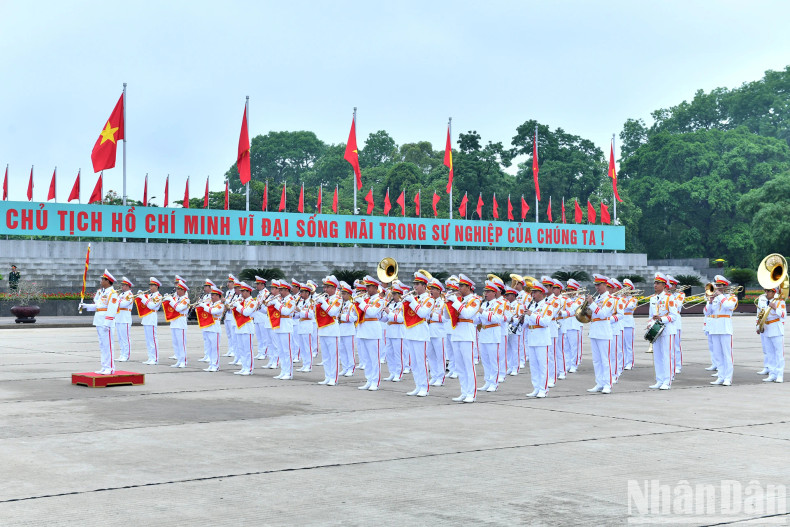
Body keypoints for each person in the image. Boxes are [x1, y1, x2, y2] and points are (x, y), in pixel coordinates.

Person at [448, 274, 481, 403]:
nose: (459, 288)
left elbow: (467, 313)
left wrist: (455, 301)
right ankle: (464, 391)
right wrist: (448, 303)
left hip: (467, 334)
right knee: (460, 366)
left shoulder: (475, 299)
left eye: (462, 286)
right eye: (459, 286)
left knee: (468, 365)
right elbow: (447, 316)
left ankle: (471, 393)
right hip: (457, 333)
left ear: (468, 287)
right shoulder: (459, 299)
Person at [402, 271, 436, 397]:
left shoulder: (429, 299)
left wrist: (411, 301)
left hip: (421, 333)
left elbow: (422, 313)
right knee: (414, 362)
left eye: (417, 284)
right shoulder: (414, 298)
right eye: (414, 284)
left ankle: (424, 387)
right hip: (411, 332)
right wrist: (405, 303)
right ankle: (418, 385)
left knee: (421, 362)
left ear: (424, 285)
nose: (415, 287)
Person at [79, 270, 119, 375]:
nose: (101, 281)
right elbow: (98, 307)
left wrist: (107, 323)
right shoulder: (103, 292)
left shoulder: (112, 294)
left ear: (107, 280)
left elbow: (112, 309)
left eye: (103, 279)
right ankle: (104, 366)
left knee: (108, 345)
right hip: (99, 320)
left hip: (106, 322)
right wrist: (85, 306)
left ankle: (110, 367)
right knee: (102, 345)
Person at [648, 273, 679, 390]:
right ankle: (659, 380)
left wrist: (662, 319)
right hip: (656, 329)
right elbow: (651, 316)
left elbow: (674, 316)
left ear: (664, 285)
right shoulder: (652, 298)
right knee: (657, 356)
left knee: (667, 356)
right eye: (655, 283)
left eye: (658, 283)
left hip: (667, 330)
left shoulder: (669, 298)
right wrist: (650, 324)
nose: (655, 285)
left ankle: (667, 380)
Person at [586, 274, 615, 394]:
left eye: (599, 285)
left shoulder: (610, 299)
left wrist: (592, 304)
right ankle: (599, 383)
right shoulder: (597, 298)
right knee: (596, 360)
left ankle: (607, 384)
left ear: (605, 285)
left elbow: (603, 314)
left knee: (605, 359)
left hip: (603, 331)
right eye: (596, 285)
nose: (596, 287)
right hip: (594, 330)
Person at [707, 275, 738, 386]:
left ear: (725, 287)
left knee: (727, 354)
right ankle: (720, 376)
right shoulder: (714, 297)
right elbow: (707, 312)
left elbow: (728, 306)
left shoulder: (732, 297)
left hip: (725, 328)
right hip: (714, 328)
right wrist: (710, 301)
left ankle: (727, 378)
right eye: (716, 285)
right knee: (717, 354)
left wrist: (720, 296)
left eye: (719, 286)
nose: (717, 288)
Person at [524, 281, 553, 398]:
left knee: (542, 365)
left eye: (535, 292)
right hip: (532, 338)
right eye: (532, 292)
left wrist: (531, 315)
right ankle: (536, 388)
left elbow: (545, 322)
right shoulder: (531, 306)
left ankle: (543, 389)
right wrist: (520, 321)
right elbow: (526, 323)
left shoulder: (548, 306)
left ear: (541, 293)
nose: (533, 295)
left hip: (542, 339)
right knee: (534, 366)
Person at [356, 275, 385, 391]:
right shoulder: (366, 300)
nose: (366, 289)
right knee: (366, 358)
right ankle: (368, 380)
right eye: (366, 287)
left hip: (373, 330)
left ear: (375, 287)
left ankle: (375, 381)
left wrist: (362, 303)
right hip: (363, 330)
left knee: (374, 358)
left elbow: (372, 312)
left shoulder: (380, 300)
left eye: (369, 287)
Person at [314, 275, 343, 385]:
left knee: (333, 356)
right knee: (325, 356)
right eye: (324, 287)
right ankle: (327, 376)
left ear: (334, 287)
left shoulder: (338, 299)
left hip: (332, 330)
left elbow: (332, 312)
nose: (325, 289)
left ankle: (333, 378)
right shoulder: (325, 298)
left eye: (327, 287)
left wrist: (323, 302)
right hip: (323, 329)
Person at [477, 280, 504, 393]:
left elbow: (496, 318)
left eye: (488, 292)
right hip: (483, 334)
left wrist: (482, 312)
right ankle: (487, 381)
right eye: (485, 291)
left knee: (493, 361)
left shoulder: (499, 304)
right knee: (485, 361)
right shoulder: (483, 304)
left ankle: (494, 383)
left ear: (494, 293)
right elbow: (479, 319)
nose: (486, 294)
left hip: (493, 335)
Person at [757, 286, 785, 383]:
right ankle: (772, 374)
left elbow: (783, 315)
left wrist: (775, 307)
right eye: (765, 291)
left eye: (769, 291)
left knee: (779, 354)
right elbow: (759, 314)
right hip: (766, 329)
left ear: (774, 292)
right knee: (770, 354)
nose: (766, 293)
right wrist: (758, 326)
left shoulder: (779, 301)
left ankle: (779, 374)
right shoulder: (763, 301)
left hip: (776, 328)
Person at [232, 282, 257, 375]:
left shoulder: (253, 302)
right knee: (241, 348)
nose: (241, 293)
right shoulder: (242, 301)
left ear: (248, 292)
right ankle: (244, 367)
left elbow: (246, 312)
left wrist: (238, 305)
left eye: (243, 291)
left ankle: (249, 368)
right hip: (240, 327)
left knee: (247, 349)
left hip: (247, 327)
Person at [382, 282, 405, 382]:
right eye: (392, 294)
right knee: (389, 353)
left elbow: (400, 319)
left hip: (398, 331)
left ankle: (399, 373)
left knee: (398, 354)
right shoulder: (391, 305)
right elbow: (385, 319)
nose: (393, 296)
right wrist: (381, 314)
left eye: (395, 294)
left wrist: (388, 312)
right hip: (390, 331)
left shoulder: (403, 305)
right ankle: (392, 372)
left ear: (400, 295)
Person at [198, 287, 224, 372]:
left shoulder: (220, 304)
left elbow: (213, 311)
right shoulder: (211, 304)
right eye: (211, 294)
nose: (211, 296)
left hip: (215, 328)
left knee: (214, 348)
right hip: (208, 327)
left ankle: (215, 365)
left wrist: (204, 305)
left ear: (218, 296)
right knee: (209, 348)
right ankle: (211, 364)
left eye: (213, 295)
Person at [427, 278, 448, 387]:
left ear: (439, 291)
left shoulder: (443, 302)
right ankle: (434, 376)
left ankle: (441, 377)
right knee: (430, 355)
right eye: (430, 289)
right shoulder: (428, 301)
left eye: (434, 289)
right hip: (429, 330)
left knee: (440, 356)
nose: (431, 291)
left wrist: (432, 315)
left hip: (439, 331)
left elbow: (445, 318)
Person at [167, 280, 191, 368]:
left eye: (179, 289)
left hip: (181, 322)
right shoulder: (176, 298)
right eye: (177, 289)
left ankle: (183, 361)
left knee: (181, 343)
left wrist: (171, 300)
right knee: (175, 342)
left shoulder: (186, 299)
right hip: (174, 321)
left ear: (183, 290)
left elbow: (179, 308)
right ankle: (179, 360)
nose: (177, 291)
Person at [140, 277, 163, 365]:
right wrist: (140, 297)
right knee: (148, 340)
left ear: (156, 287)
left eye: (152, 285)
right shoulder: (149, 296)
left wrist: (143, 298)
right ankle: (150, 357)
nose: (150, 287)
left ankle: (155, 358)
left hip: (152, 317)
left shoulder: (158, 296)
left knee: (153, 339)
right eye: (150, 285)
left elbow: (151, 306)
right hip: (146, 318)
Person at [337, 281, 358, 376]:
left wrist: (342, 316)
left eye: (344, 294)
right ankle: (345, 368)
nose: (342, 296)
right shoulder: (342, 304)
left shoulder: (352, 305)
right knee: (342, 350)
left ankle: (351, 368)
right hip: (341, 329)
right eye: (342, 293)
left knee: (349, 351)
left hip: (349, 330)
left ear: (349, 295)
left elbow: (354, 318)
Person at [295, 282, 316, 373]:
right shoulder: (300, 301)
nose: (301, 294)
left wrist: (299, 311)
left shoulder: (311, 302)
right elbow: (298, 315)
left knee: (308, 347)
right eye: (300, 292)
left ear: (307, 293)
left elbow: (310, 314)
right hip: (301, 326)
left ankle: (309, 365)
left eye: (302, 292)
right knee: (302, 347)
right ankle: (304, 364)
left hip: (307, 326)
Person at [115, 277, 134, 362]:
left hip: (125, 318)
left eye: (123, 285)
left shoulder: (130, 295)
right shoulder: (121, 295)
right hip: (119, 318)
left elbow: (123, 304)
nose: (122, 287)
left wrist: (116, 299)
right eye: (122, 285)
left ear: (127, 286)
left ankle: (126, 355)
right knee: (120, 338)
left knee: (125, 338)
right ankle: (122, 354)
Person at [197, 279, 216, 363]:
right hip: (204, 318)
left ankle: (209, 356)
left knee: (210, 339)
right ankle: (206, 355)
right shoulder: (205, 296)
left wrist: (202, 304)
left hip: (209, 318)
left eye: (206, 287)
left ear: (210, 287)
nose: (204, 288)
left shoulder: (212, 297)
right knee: (205, 338)